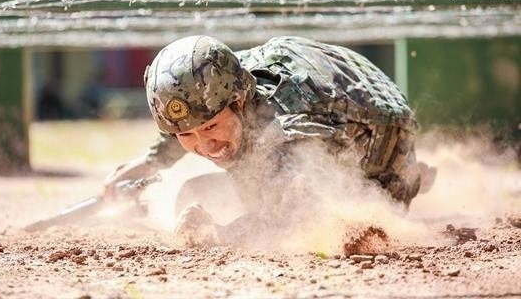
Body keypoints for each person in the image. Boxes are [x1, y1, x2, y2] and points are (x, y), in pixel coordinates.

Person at [104, 35, 435, 246]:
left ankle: (408, 178)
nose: (205, 145)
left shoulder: (288, 127)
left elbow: (297, 218)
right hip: (337, 117)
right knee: (196, 192)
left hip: (383, 143)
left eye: (212, 128)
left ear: (240, 102)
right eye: (187, 136)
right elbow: (193, 118)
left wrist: (219, 234)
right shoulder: (221, 78)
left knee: (337, 220)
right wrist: (148, 162)